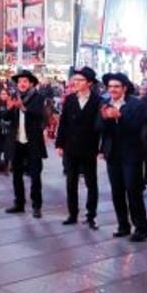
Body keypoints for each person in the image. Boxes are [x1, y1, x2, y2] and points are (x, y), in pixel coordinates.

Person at [98, 72, 147, 240]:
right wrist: (105, 119)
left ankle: (141, 228)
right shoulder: (105, 103)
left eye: (116, 87)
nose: (112, 90)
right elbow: (99, 128)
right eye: (110, 87)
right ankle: (123, 225)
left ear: (124, 88)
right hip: (112, 153)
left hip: (131, 153)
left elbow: (137, 128)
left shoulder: (136, 105)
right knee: (117, 191)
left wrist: (119, 117)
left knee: (133, 191)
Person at [55, 66, 103, 229]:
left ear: (89, 83)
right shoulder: (70, 99)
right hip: (71, 147)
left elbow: (101, 126)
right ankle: (72, 213)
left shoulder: (98, 101)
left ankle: (91, 215)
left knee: (91, 183)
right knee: (71, 182)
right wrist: (59, 144)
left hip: (89, 148)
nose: (75, 82)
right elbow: (63, 123)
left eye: (80, 80)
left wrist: (100, 149)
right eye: (74, 79)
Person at [4, 70, 47, 216]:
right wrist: (8, 109)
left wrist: (23, 108)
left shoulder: (38, 98)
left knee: (35, 175)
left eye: (25, 81)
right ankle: (19, 203)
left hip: (33, 142)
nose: (21, 84)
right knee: (16, 174)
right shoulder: (14, 97)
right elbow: (7, 118)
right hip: (17, 141)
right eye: (19, 81)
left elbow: (40, 116)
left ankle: (36, 205)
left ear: (31, 83)